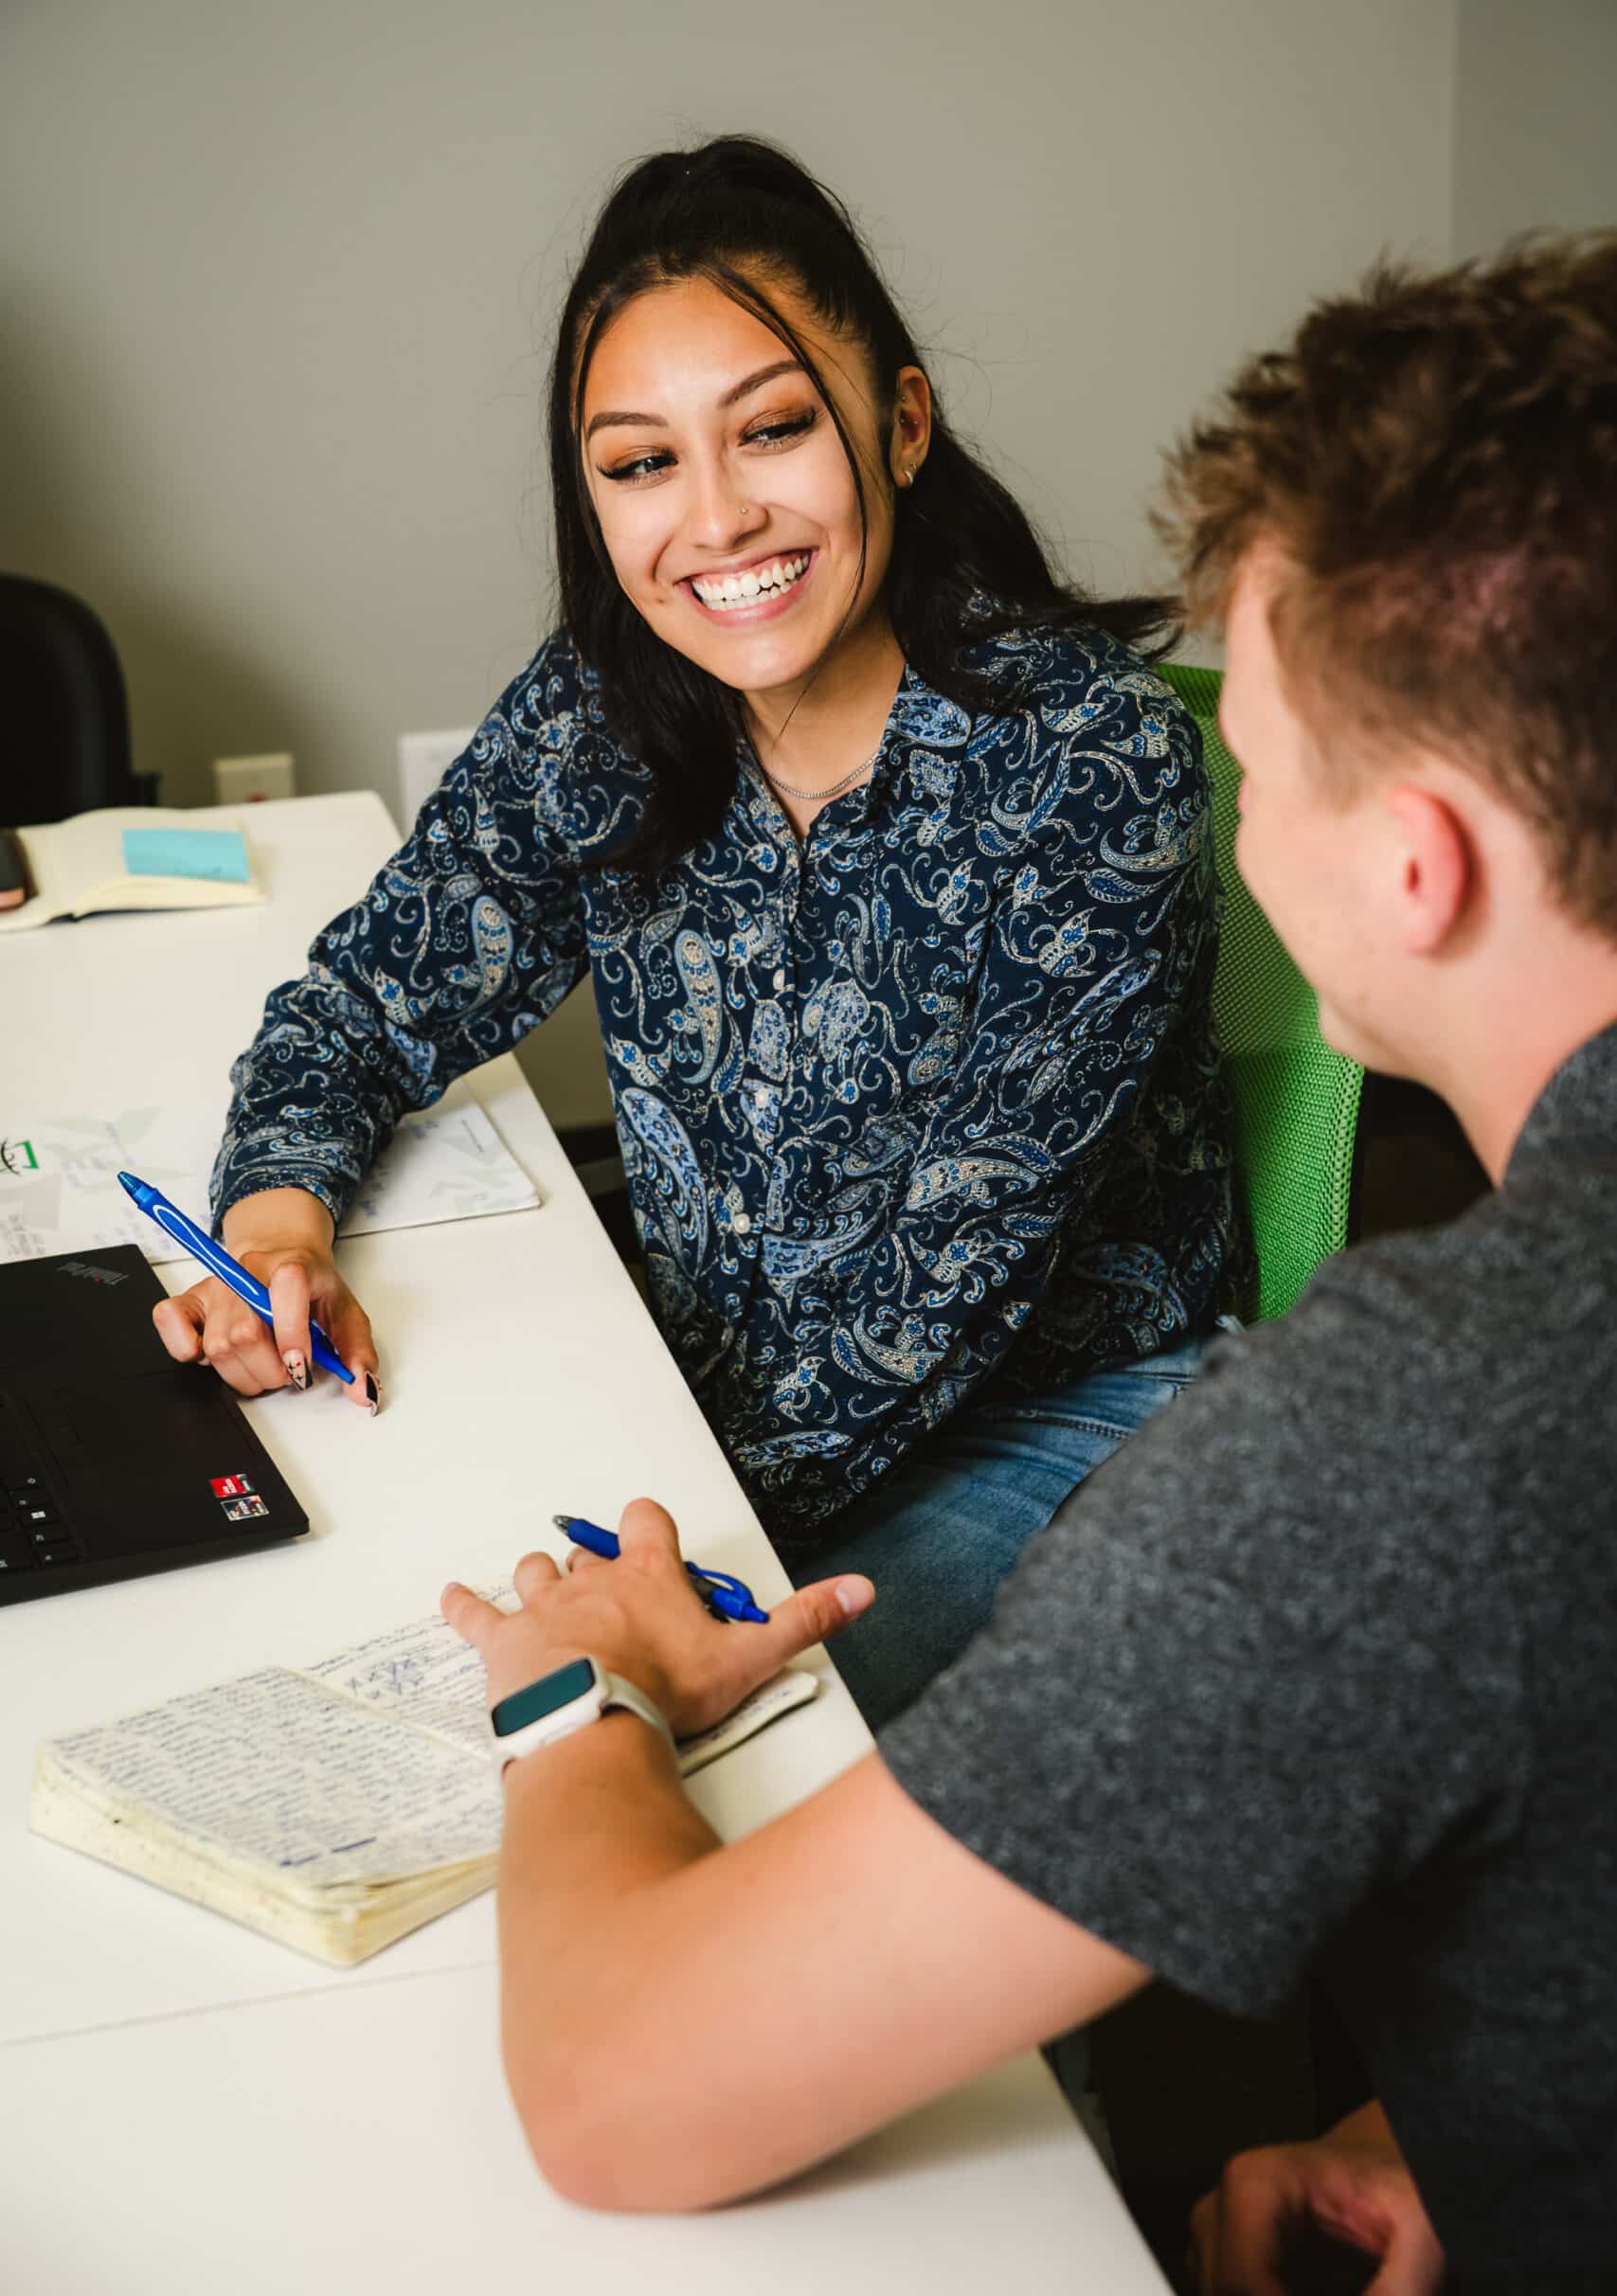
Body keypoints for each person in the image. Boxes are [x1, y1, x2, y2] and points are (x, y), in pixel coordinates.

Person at [438, 233, 1617, 2296]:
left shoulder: (1400, 1443)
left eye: (1256, 759)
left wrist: (574, 1690)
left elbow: (621, 2083)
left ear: (1409, 861)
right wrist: (1458, 2111)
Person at [153, 136, 1238, 1726]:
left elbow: (925, 1297)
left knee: (635, 1745)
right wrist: (276, 1231)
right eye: (641, 463)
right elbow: (371, 997)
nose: (717, 522)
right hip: (703, 1394)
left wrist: (626, 1539)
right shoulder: (604, 706)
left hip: (1049, 1423)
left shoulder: (1082, 768)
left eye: (776, 431)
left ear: (904, 422)